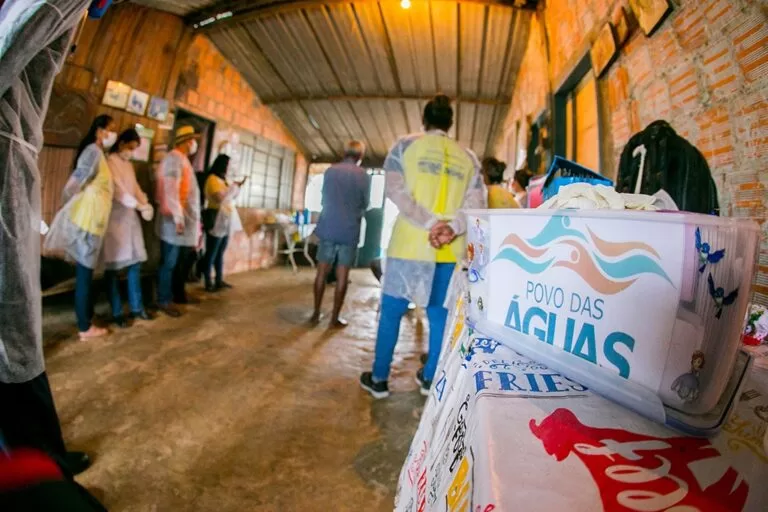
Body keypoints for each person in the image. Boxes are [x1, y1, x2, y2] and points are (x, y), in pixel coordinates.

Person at [0, 0, 105, 499]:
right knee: (15, 321)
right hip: (3, 154)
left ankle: (37, 457)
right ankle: (40, 467)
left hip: (13, 147)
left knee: (14, 322)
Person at [360, 94, 485, 399]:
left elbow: (395, 190)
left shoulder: (405, 146)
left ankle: (379, 379)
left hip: (409, 246)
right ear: (450, 124)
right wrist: (450, 228)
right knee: (439, 316)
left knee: (391, 313)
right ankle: (430, 379)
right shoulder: (468, 157)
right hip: (449, 249)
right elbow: (476, 203)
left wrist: (430, 223)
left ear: (425, 121)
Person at [46, 114, 117, 340]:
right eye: (110, 129)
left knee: (85, 272)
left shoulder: (99, 154)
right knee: (85, 274)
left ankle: (85, 318)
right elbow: (74, 183)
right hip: (87, 221)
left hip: (92, 221)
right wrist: (67, 205)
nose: (112, 134)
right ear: (99, 130)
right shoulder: (93, 152)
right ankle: (84, 328)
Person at [310, 140, 370, 327]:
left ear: (343, 153)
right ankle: (334, 318)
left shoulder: (330, 171)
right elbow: (365, 204)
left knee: (321, 273)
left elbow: (324, 197)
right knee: (343, 275)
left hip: (328, 226)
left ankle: (316, 313)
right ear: (360, 156)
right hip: (348, 230)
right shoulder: (364, 176)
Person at [102, 128, 155, 327]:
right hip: (115, 221)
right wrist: (139, 206)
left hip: (130, 221)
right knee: (113, 269)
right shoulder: (110, 162)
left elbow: (135, 189)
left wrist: (145, 202)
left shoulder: (128, 165)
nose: (131, 152)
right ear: (122, 143)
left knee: (135, 265)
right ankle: (116, 312)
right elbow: (119, 191)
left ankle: (136, 307)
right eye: (130, 147)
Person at [155, 125, 202, 317]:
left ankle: (177, 294)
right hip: (174, 222)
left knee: (178, 262)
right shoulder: (174, 159)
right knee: (169, 262)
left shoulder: (182, 159)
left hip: (182, 220)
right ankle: (163, 299)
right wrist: (177, 216)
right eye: (192, 140)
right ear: (186, 141)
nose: (194, 144)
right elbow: (170, 189)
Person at [201, 154, 244, 292]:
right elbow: (220, 198)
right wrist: (233, 188)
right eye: (228, 165)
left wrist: (237, 187)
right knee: (212, 251)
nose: (229, 168)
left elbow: (230, 197)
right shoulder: (213, 179)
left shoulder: (224, 180)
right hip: (215, 217)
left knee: (220, 251)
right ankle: (208, 281)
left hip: (225, 218)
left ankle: (219, 279)